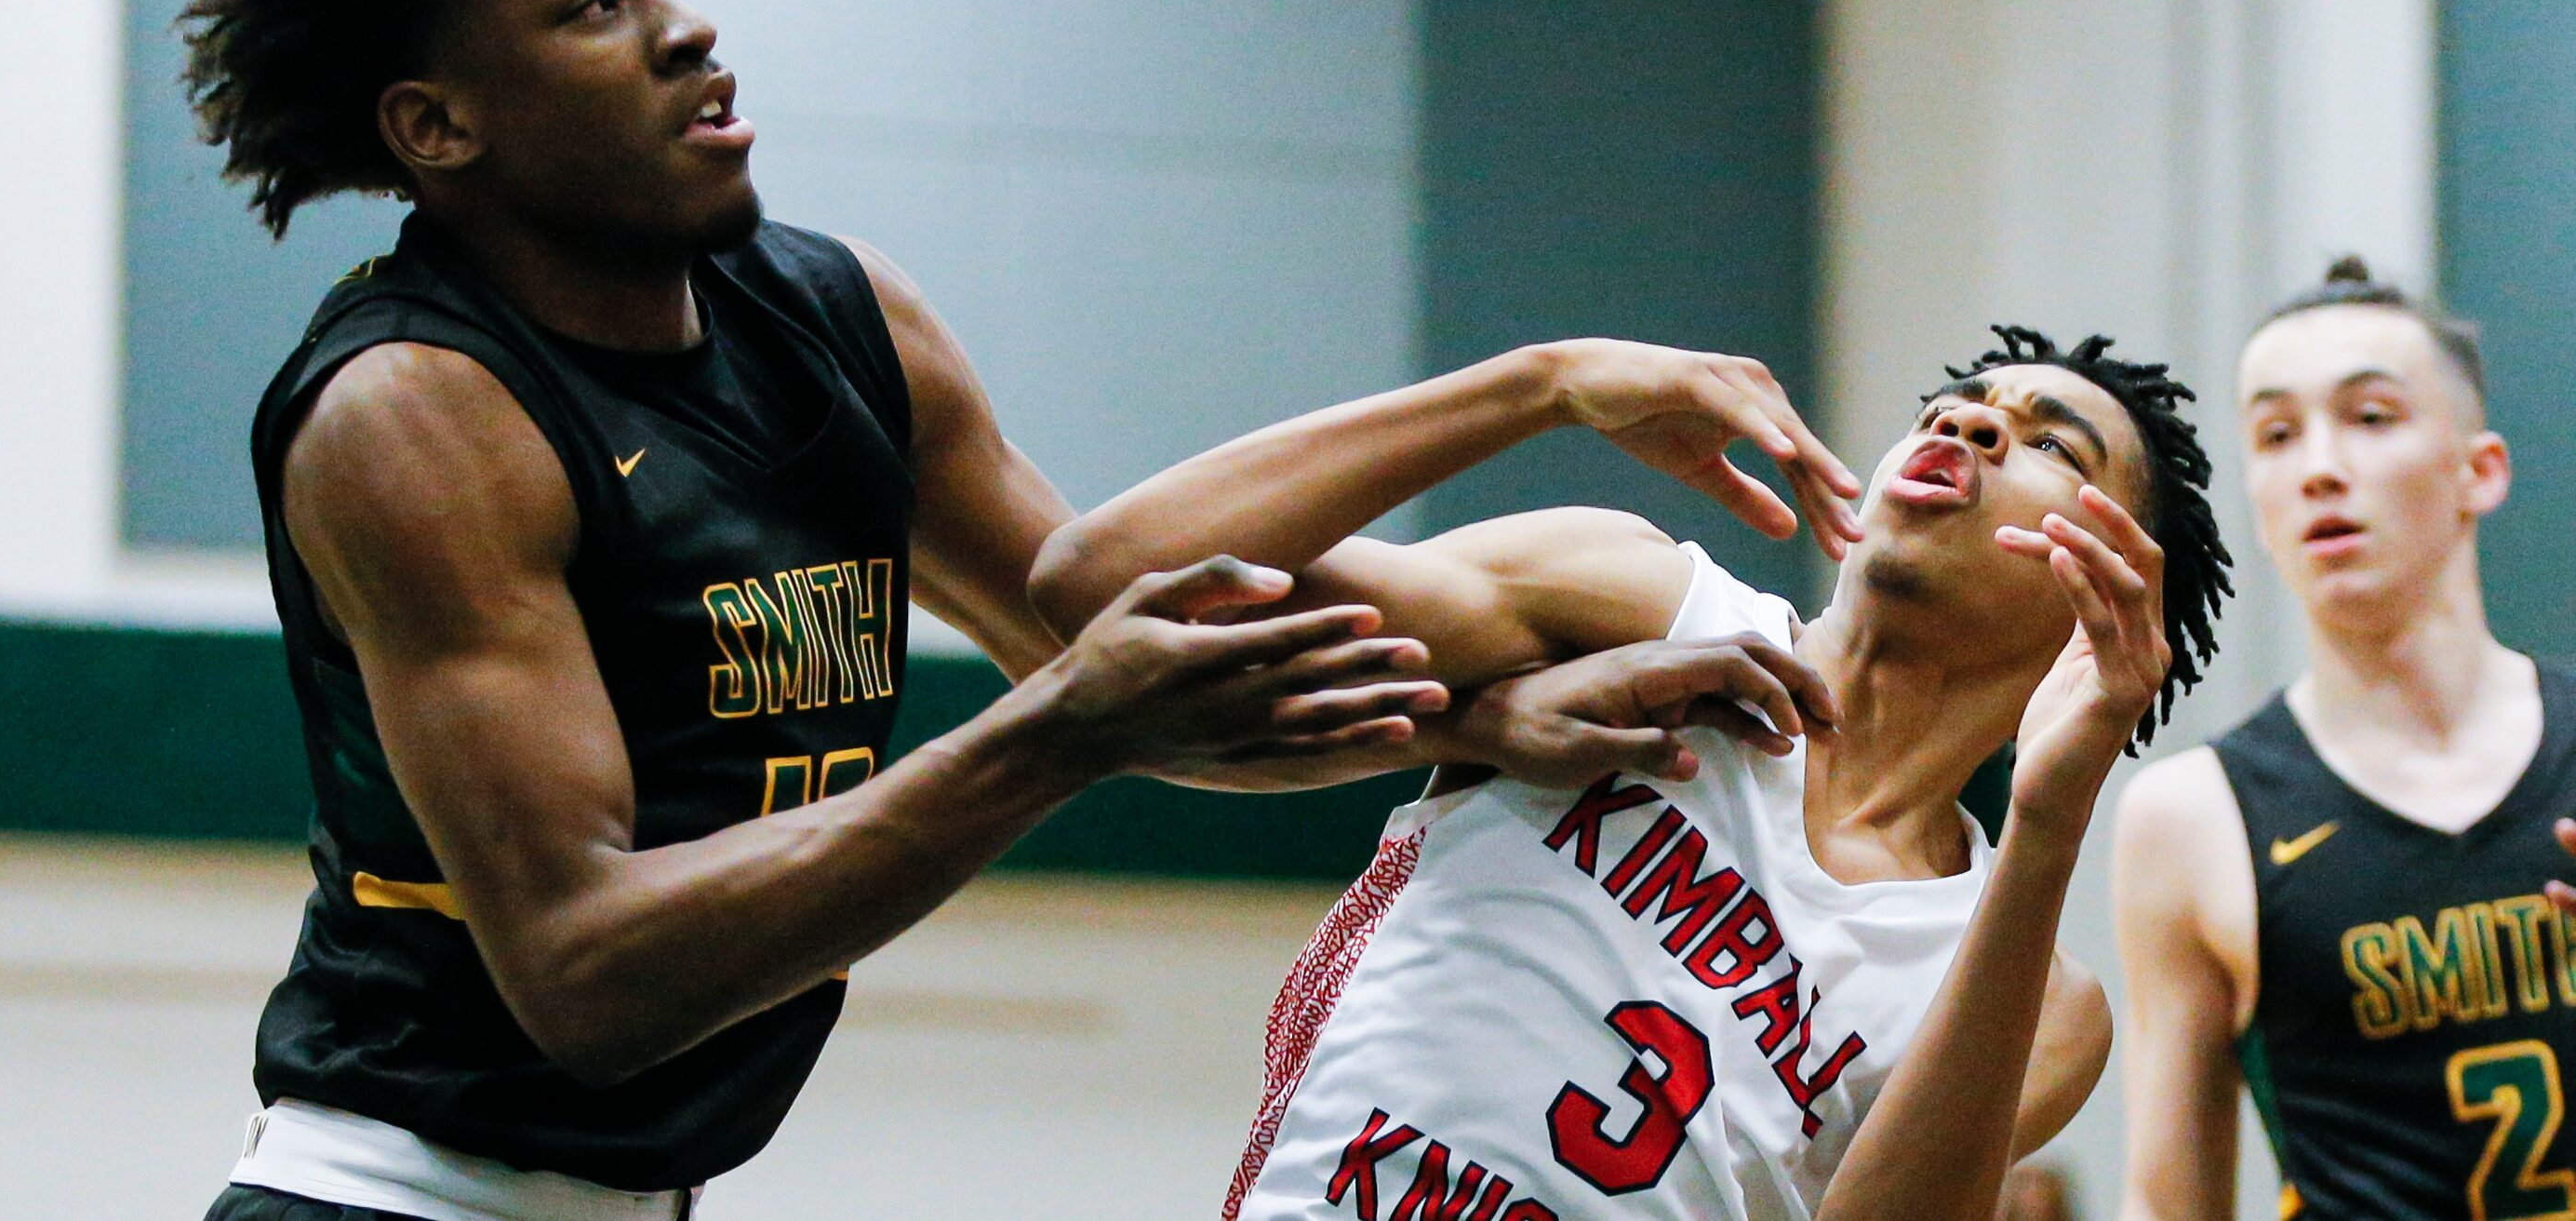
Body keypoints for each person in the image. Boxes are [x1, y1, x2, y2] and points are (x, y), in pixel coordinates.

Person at [176, 0, 1875, 1221]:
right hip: (390, 1195)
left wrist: (1469, 720)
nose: (685, 29)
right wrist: (1058, 734)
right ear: (435, 127)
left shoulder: (841, 319)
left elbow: (1110, 645)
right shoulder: (416, 414)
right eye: (593, 3)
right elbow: (588, 973)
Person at [1031, 324, 2233, 1218]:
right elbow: (1108, 576)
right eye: (1964, 402)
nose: (1972, 425)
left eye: (2046, 442)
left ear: (2114, 597)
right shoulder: (1650, 603)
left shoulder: (2043, 998)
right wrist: (1541, 383)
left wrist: (2047, 823)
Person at [2115, 258, 2575, 1221]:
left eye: (2371, 418)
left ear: (2479, 471)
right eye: (2277, 434)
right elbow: (2169, 1206)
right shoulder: (2190, 816)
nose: (2320, 466)